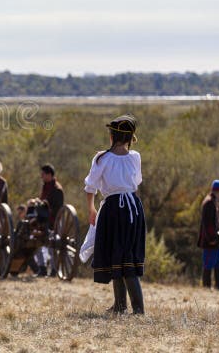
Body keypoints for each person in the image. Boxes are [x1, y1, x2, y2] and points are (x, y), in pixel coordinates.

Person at [84, 114, 146, 315]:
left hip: (116, 209)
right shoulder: (130, 157)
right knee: (117, 255)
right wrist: (94, 209)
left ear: (112, 136)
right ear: (129, 138)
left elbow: (90, 187)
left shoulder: (103, 158)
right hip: (132, 208)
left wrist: (91, 209)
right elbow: (136, 183)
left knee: (125, 255)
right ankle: (120, 305)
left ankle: (138, 309)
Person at [197, 179, 219, 290]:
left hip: (215, 240)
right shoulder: (209, 202)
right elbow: (208, 223)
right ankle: (206, 286)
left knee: (218, 263)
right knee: (208, 263)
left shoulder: (212, 201)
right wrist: (212, 238)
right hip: (210, 240)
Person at [38, 163, 64, 277]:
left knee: (52, 247)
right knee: (38, 243)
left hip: (52, 221)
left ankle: (54, 270)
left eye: (43, 174)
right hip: (43, 220)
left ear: (49, 175)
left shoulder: (57, 189)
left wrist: (44, 204)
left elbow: (57, 208)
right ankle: (42, 268)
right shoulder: (45, 185)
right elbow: (43, 200)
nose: (41, 176)